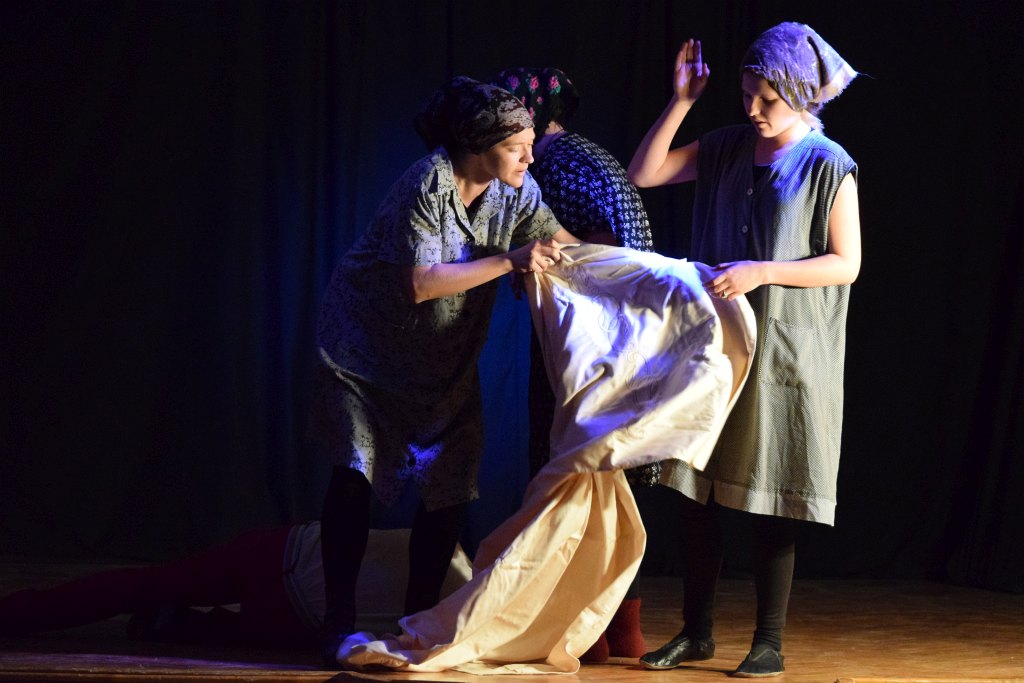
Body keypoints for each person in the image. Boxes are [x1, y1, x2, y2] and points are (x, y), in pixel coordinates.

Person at [308, 76, 578, 663]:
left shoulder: (517, 190)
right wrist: (510, 261)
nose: (530, 157)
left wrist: (641, 274)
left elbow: (565, 245)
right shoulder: (426, 183)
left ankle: (419, 624)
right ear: (478, 146)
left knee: (450, 485)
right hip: (366, 356)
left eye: (530, 145)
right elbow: (421, 283)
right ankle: (338, 623)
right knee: (356, 473)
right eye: (517, 147)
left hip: (442, 362)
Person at [627, 22, 861, 677]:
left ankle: (769, 641)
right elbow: (644, 173)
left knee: (770, 491)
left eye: (768, 99)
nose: (754, 109)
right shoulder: (729, 145)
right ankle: (696, 632)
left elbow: (846, 262)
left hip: (785, 351)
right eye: (746, 94)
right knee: (694, 491)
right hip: (717, 346)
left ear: (801, 96)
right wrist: (682, 101)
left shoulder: (827, 163)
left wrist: (763, 270)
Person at [491, 66, 656, 661]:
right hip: (627, 327)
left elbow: (580, 246)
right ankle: (618, 629)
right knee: (612, 470)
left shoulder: (552, 164)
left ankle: (584, 627)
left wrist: (533, 266)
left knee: (567, 466)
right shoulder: (592, 155)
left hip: (588, 334)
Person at [0, 524, 471, 647]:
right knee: (157, 592)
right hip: (289, 591)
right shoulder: (463, 615)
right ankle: (182, 625)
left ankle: (16, 613)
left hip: (283, 556)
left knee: (144, 584)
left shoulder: (453, 552)